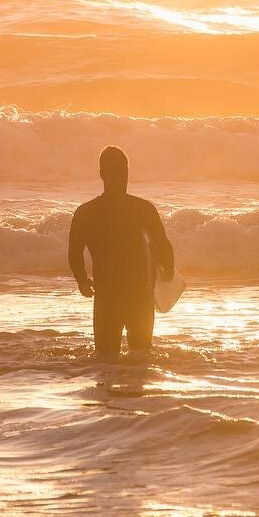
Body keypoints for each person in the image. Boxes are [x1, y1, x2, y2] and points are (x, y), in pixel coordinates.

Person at [68, 146, 175, 359]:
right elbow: (164, 247)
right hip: (140, 296)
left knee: (105, 360)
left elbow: (74, 253)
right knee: (141, 358)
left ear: (101, 174)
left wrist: (81, 280)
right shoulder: (143, 209)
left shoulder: (85, 213)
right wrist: (167, 272)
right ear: (126, 172)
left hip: (107, 296)